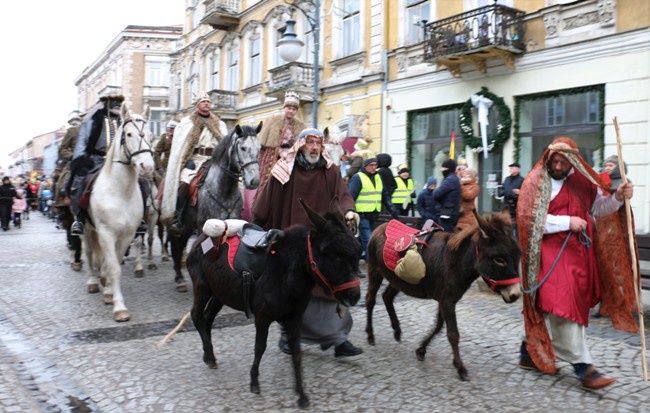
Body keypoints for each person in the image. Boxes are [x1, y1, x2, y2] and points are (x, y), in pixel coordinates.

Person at [517, 137, 634, 390]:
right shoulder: (536, 180)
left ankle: (528, 350)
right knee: (563, 300)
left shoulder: (584, 180)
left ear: (573, 161)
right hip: (547, 252)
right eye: (554, 160)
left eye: (563, 161)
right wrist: (566, 222)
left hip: (579, 254)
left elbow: (599, 209)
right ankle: (584, 368)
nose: (557, 165)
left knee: (557, 303)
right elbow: (529, 219)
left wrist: (619, 198)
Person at [252, 128, 363, 358]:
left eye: (318, 143)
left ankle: (338, 340)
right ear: (300, 144)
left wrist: (349, 211)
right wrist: (259, 221)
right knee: (294, 289)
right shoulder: (284, 170)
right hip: (295, 242)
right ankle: (288, 336)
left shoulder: (330, 171)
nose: (315, 147)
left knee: (333, 284)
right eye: (310, 142)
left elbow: (342, 195)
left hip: (324, 242)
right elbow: (266, 201)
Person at [162, 91, 228, 232]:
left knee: (231, 181)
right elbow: (182, 146)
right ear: (197, 104)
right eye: (203, 101)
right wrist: (187, 161)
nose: (206, 104)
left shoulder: (219, 123)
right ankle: (178, 217)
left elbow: (225, 143)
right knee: (185, 182)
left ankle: (233, 212)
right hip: (195, 160)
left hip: (214, 160)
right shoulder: (187, 123)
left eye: (208, 101)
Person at [68, 94, 125, 235]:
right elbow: (83, 141)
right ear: (107, 104)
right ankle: (80, 219)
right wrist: (82, 159)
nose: (117, 105)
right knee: (81, 180)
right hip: (96, 159)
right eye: (114, 102)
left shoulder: (123, 121)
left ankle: (140, 218)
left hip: (119, 161)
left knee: (141, 181)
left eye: (119, 102)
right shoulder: (95, 118)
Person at [252, 91, 306, 203]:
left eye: (294, 109)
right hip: (273, 156)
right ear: (284, 108)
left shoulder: (301, 126)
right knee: (268, 182)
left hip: (292, 157)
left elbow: (300, 145)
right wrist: (280, 152)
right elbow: (264, 143)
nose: (291, 111)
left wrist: (290, 154)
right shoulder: (272, 121)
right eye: (289, 108)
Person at [348, 155, 396, 262]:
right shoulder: (358, 178)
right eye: (371, 165)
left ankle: (353, 264)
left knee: (360, 242)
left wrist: (392, 209)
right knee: (368, 241)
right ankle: (373, 266)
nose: (374, 167)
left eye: (376, 165)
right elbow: (351, 197)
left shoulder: (378, 177)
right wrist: (350, 212)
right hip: (362, 215)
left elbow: (385, 194)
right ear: (365, 166)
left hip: (373, 214)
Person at [432, 158, 461, 231]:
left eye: (442, 167)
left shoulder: (450, 180)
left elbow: (436, 194)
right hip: (449, 213)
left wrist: (435, 190)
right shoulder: (452, 178)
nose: (441, 170)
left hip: (447, 215)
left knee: (444, 237)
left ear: (447, 168)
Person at [498, 162, 524, 237]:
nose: (511, 169)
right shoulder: (507, 179)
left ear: (518, 169)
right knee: (504, 226)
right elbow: (501, 191)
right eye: (510, 168)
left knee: (515, 228)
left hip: (515, 207)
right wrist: (507, 193)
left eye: (512, 168)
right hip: (505, 206)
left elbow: (525, 194)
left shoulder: (522, 180)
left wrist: (519, 193)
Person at [153, 120, 178, 184]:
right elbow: (157, 152)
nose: (170, 129)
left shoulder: (182, 138)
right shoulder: (165, 137)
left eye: (173, 128)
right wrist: (159, 167)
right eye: (170, 128)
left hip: (178, 163)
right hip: (166, 164)